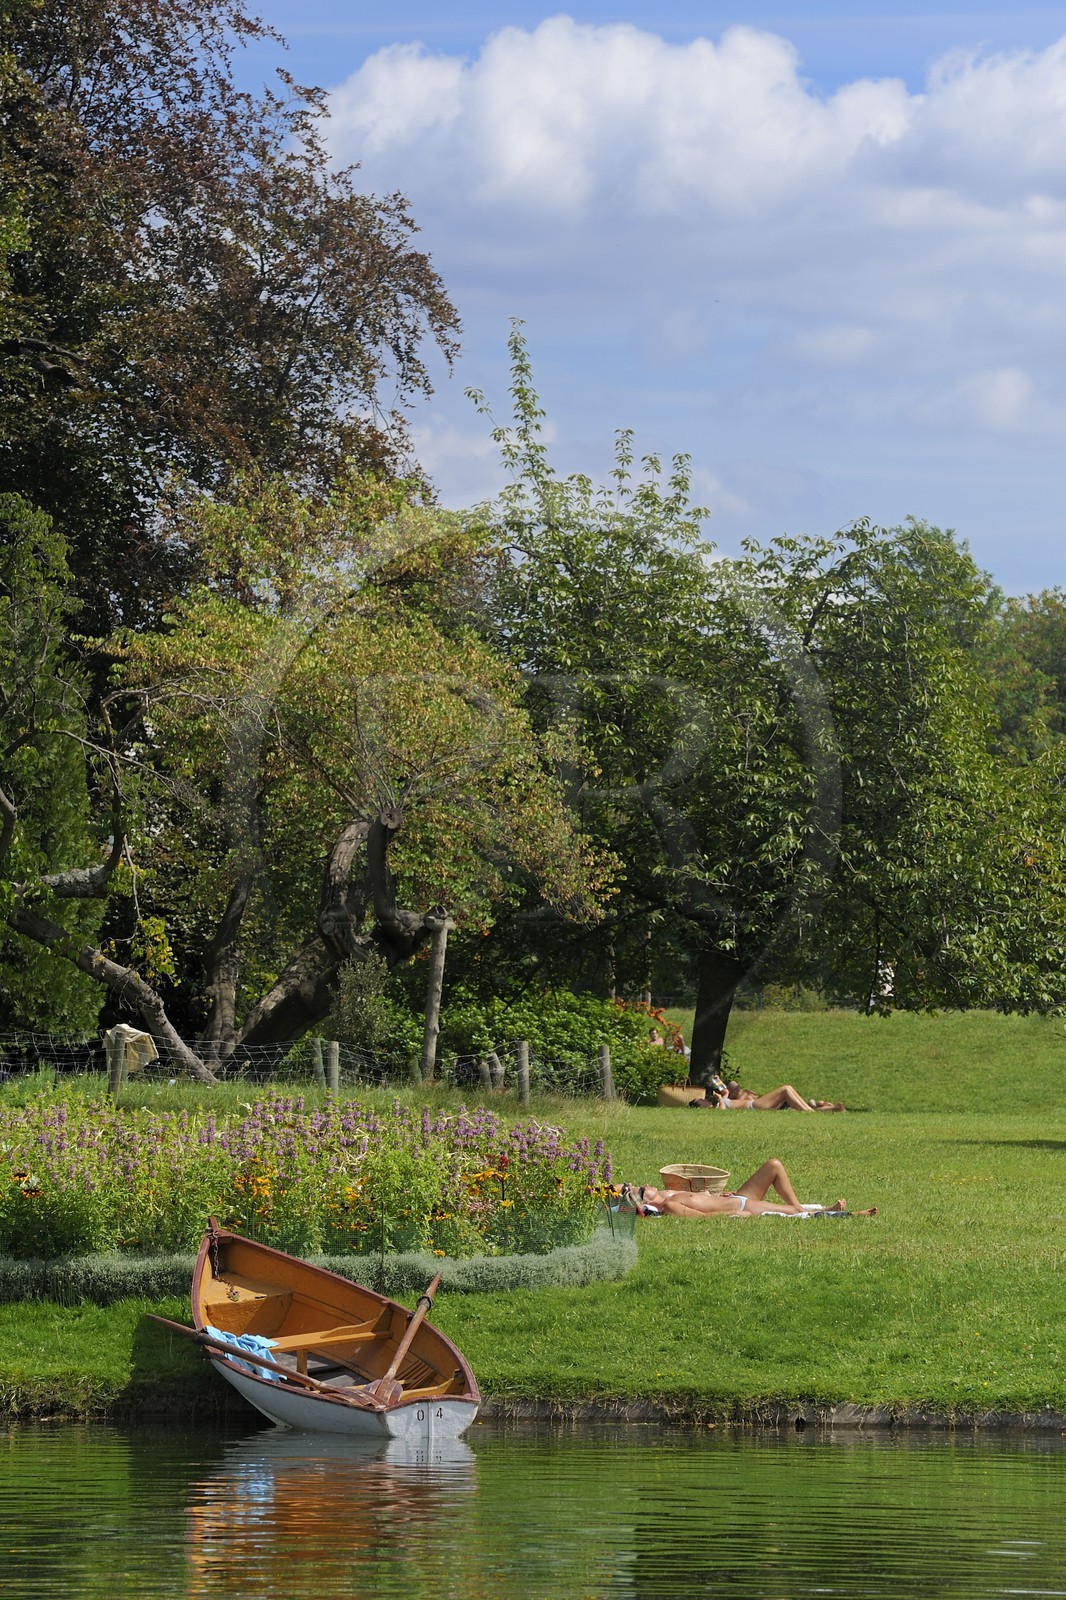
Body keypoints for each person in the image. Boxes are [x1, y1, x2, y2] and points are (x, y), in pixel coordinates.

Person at [620, 1158, 875, 1217]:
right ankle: (851, 1215)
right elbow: (705, 1219)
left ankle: (801, 1206)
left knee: (773, 1165)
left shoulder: (668, 1193)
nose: (645, 1185)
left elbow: (615, 1192)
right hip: (743, 1206)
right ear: (645, 1203)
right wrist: (734, 1215)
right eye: (642, 1191)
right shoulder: (670, 1206)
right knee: (796, 1216)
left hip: (738, 1197)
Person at [705, 1080, 846, 1112]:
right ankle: (811, 1111)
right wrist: (718, 1099)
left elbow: (726, 1090)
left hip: (755, 1104)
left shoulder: (724, 1098)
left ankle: (815, 1110)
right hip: (753, 1106)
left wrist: (717, 1081)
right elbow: (722, 1111)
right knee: (785, 1089)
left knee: (788, 1089)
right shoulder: (719, 1105)